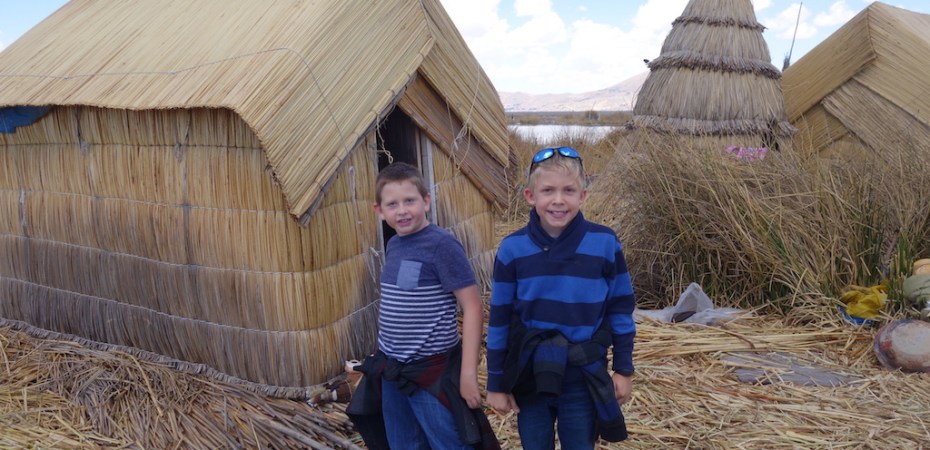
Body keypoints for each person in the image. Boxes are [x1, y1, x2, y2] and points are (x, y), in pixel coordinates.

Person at [485, 147, 636, 450]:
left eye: (568, 190)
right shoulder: (512, 249)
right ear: (530, 196)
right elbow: (500, 320)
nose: (558, 200)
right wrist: (497, 384)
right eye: (548, 190)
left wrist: (623, 368)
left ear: (583, 196)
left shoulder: (604, 243)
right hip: (530, 372)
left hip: (582, 372)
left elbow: (620, 309)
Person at [347, 161, 497, 449]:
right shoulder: (394, 245)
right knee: (403, 442)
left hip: (431, 372)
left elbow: (473, 306)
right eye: (392, 204)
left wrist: (468, 374)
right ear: (379, 211)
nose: (402, 210)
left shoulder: (442, 245)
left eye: (410, 201)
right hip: (393, 370)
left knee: (449, 442)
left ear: (426, 202)